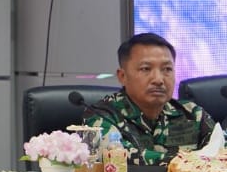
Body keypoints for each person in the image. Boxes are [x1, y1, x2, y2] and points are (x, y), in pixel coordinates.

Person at [83, 32, 215, 164]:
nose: (158, 80)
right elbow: (119, 160)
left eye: (167, 69)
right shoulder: (101, 117)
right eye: (146, 69)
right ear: (122, 76)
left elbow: (221, 155)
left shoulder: (193, 114)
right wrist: (194, 160)